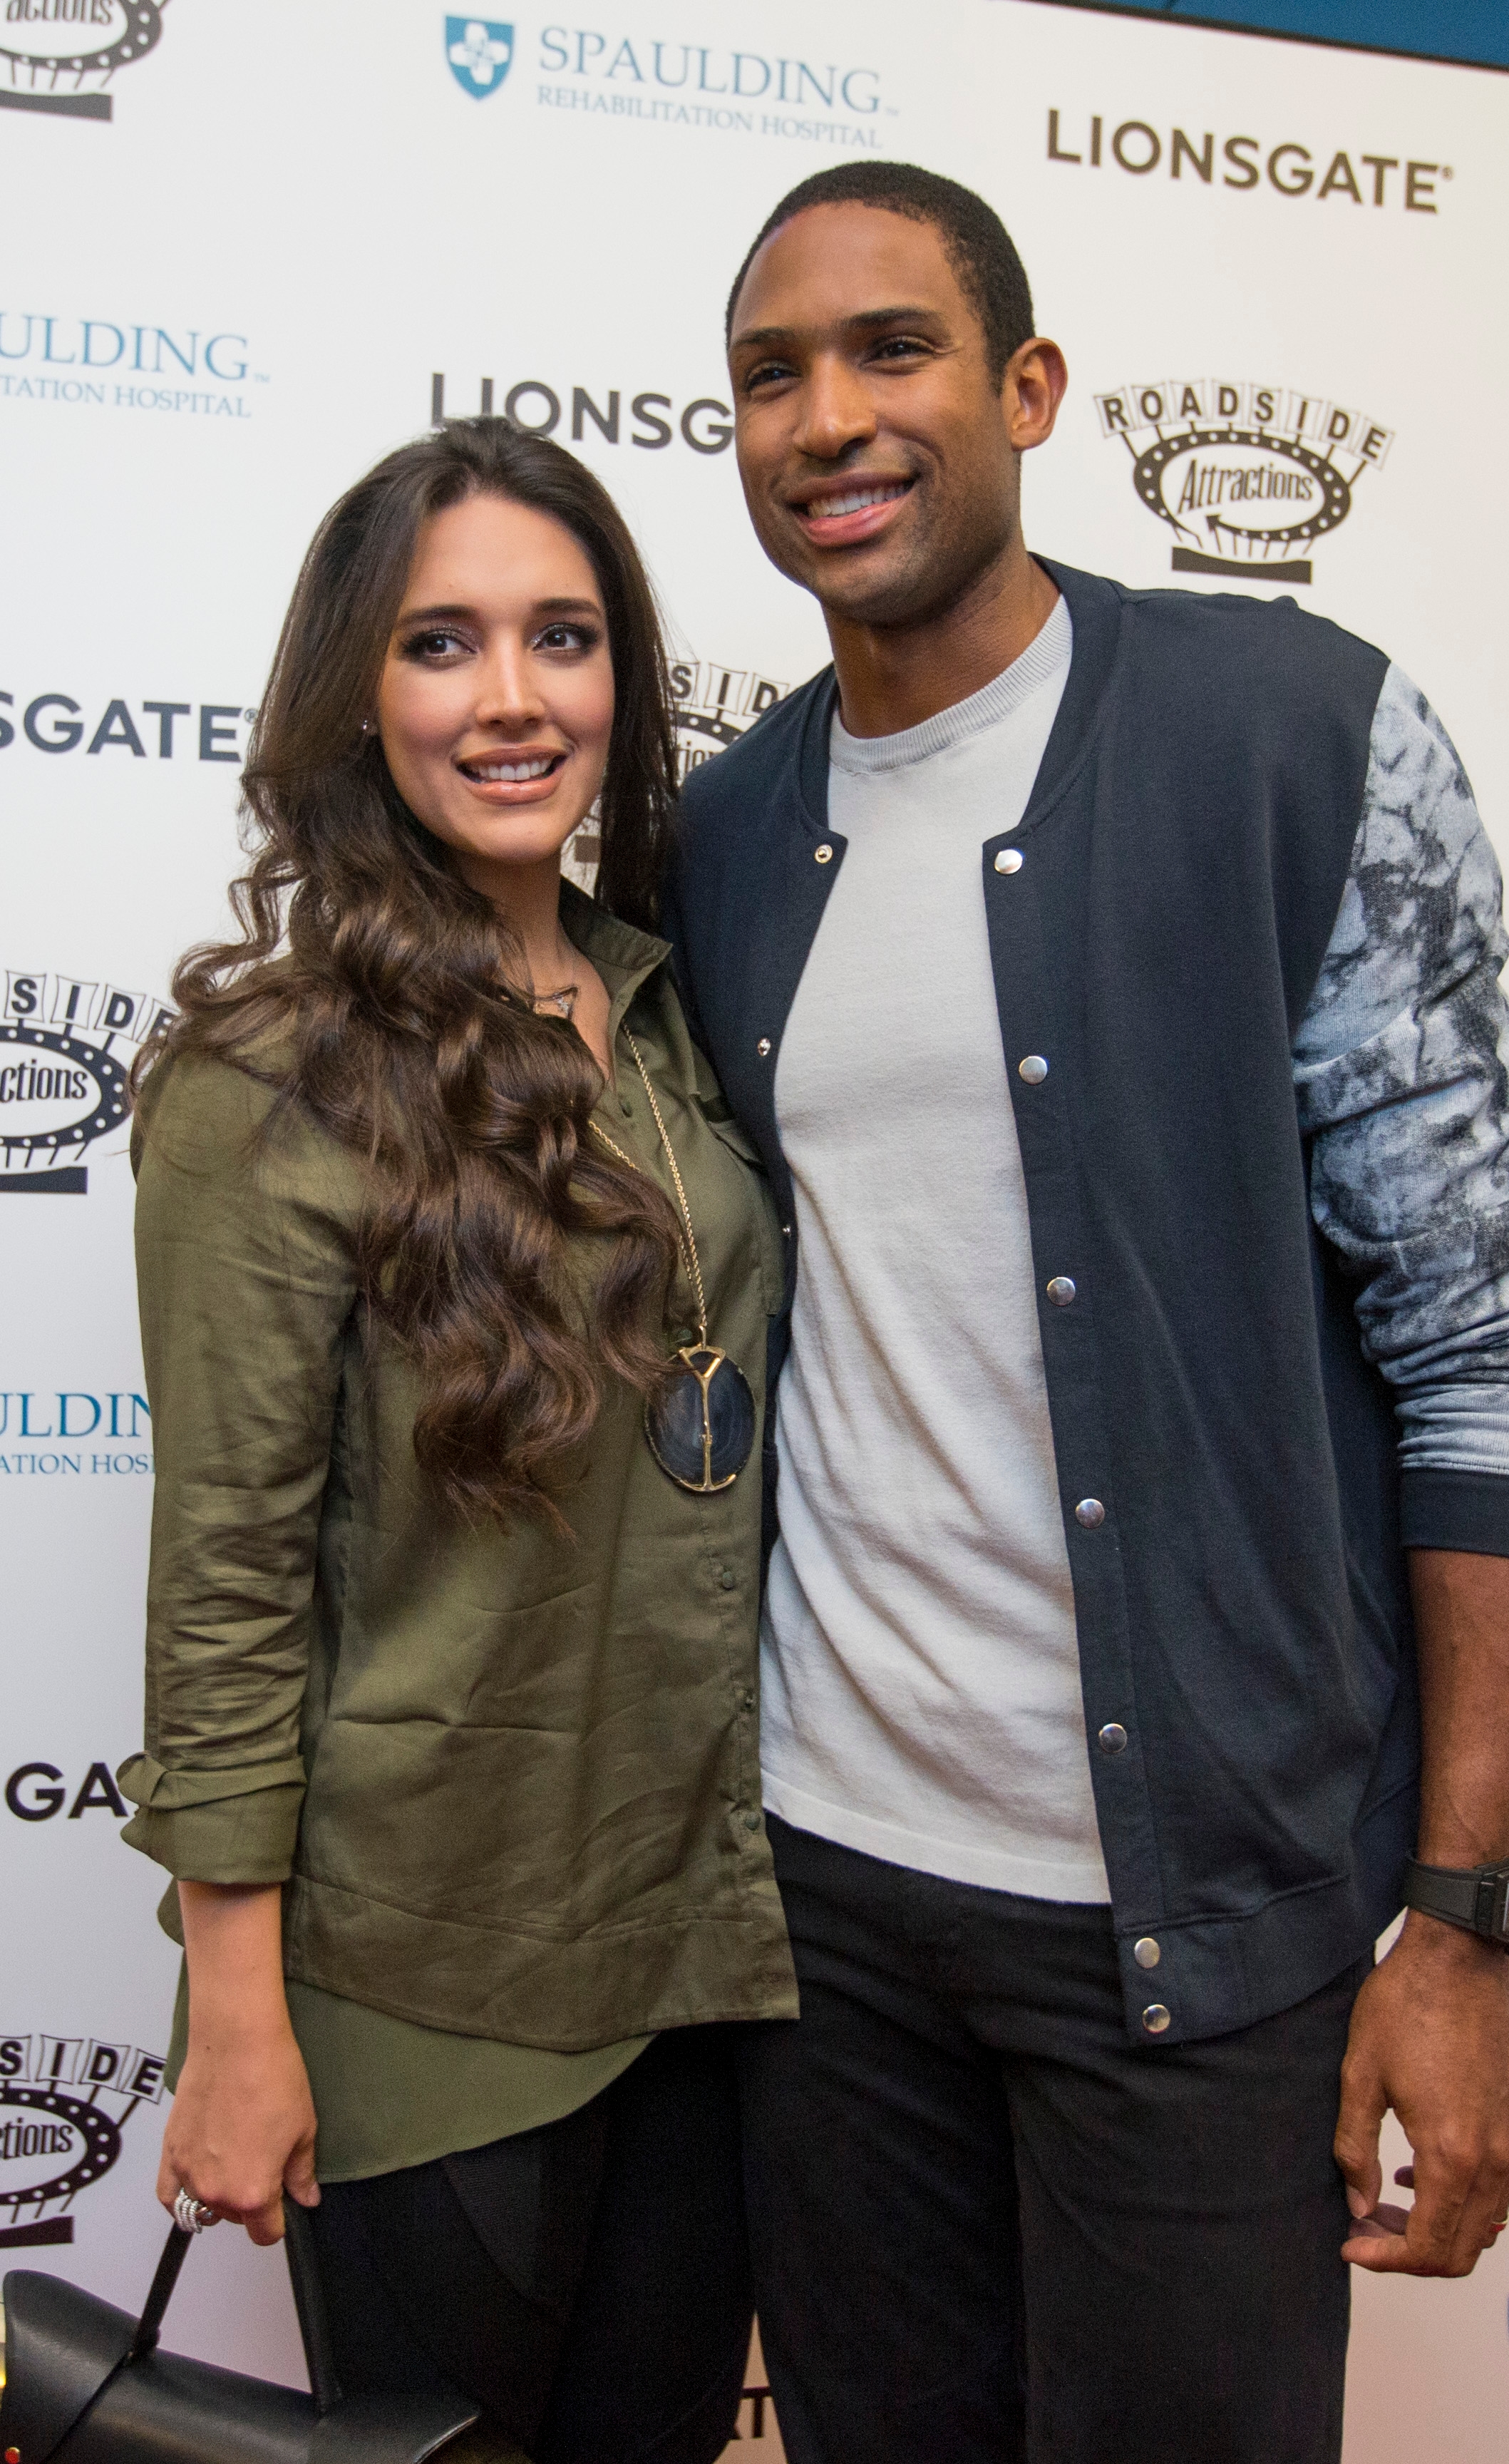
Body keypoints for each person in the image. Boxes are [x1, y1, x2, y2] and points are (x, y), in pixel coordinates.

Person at [665, 162, 1509, 2463]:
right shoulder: (722, 828)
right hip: (828, 1905)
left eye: (892, 349)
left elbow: (1496, 1337)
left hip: (1196, 1924)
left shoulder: (1293, 734)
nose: (828, 417)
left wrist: (1464, 1923)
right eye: (772, 374)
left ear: (1029, 388)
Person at [118, 416, 795, 2464]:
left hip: (703, 1955)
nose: (513, 697)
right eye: (442, 643)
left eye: (562, 637)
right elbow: (226, 1582)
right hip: (424, 1981)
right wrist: (240, 2024)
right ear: (358, 693)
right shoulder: (270, 1075)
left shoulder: (671, 1007)